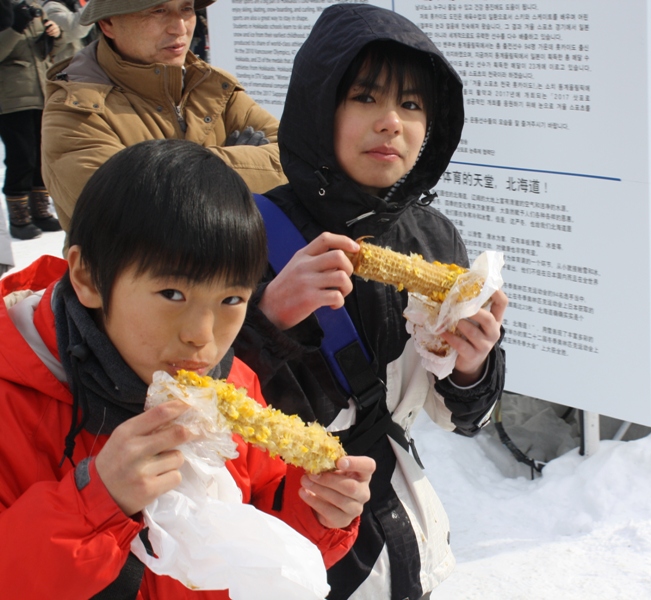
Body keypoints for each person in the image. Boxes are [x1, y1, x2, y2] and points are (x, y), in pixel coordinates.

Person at [0, 138, 375, 598]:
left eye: (231, 300)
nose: (203, 335)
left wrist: (316, 511)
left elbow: (254, 526)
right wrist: (95, 501)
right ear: (88, 278)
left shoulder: (235, 380)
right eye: (172, 295)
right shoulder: (11, 400)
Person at [233, 5, 508, 599]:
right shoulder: (244, 233)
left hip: (403, 531)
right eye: (364, 97)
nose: (391, 123)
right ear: (319, 106)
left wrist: (471, 366)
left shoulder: (434, 238)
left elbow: (467, 417)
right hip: (282, 525)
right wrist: (266, 320)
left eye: (412, 105)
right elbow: (189, 399)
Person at [41, 0, 287, 233]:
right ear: (108, 24)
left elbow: (296, 160)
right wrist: (228, 168)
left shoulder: (212, 86)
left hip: (240, 270)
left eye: (186, 8)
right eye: (157, 11)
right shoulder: (75, 109)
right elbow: (132, 218)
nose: (179, 27)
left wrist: (180, 177)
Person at [0, 0, 62, 239]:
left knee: (41, 154)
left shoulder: (33, 6)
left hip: (42, 92)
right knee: (22, 156)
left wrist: (53, 35)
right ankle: (19, 217)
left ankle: (40, 212)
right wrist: (15, 27)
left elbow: (46, 54)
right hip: (12, 97)